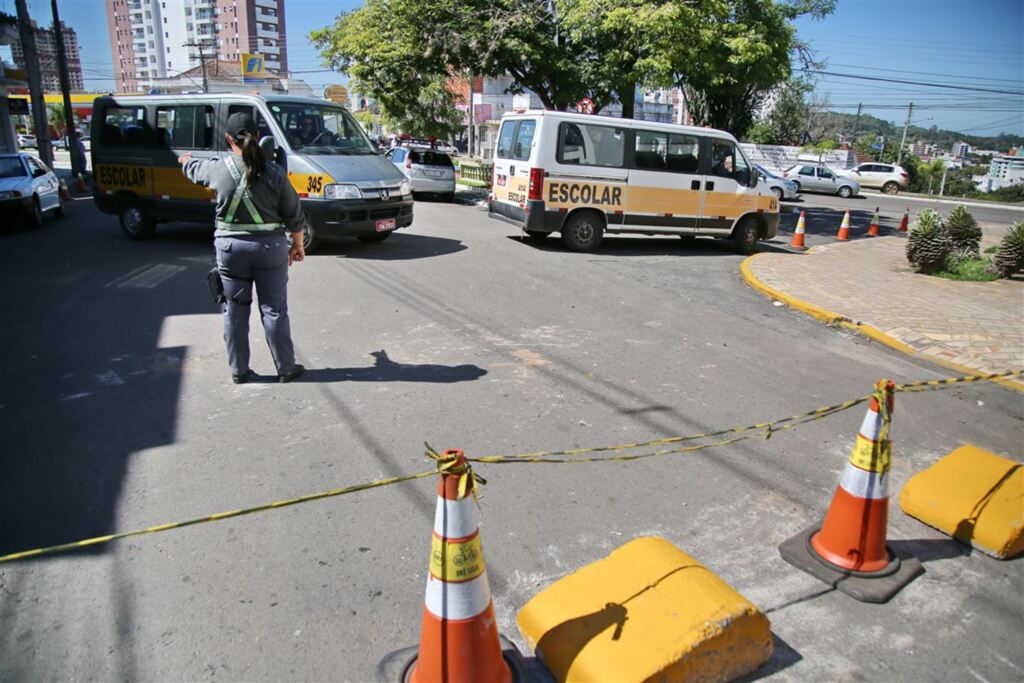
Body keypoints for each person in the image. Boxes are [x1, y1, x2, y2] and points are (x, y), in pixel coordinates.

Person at [179, 112, 308, 384]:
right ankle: (285, 368)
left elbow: (193, 171)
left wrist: (186, 160)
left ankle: (239, 370)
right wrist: (297, 245)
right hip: (270, 248)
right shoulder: (274, 173)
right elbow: (294, 214)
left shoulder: (217, 167)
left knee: (235, 309)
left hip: (230, 250)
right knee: (274, 310)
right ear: (258, 138)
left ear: (228, 138)